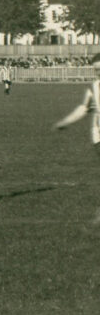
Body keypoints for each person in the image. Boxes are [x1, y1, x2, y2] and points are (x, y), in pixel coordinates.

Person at [54, 53, 100, 223]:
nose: (99, 73)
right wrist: (65, 121)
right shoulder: (93, 87)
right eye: (96, 70)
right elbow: (84, 109)